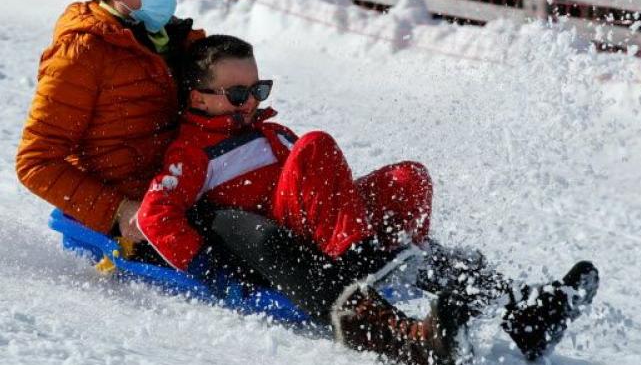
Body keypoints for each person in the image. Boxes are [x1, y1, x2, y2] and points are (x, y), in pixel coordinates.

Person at [136, 34, 600, 365]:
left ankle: (525, 314)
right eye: (238, 93)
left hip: (324, 226)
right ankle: (364, 260)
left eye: (258, 91)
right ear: (198, 97)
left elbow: (322, 187)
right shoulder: (192, 152)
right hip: (296, 241)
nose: (251, 103)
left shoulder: (270, 131)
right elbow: (155, 215)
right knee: (315, 145)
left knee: (407, 177)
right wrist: (212, 271)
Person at [16, 0, 203, 244]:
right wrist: (120, 210)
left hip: (188, 185)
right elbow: (37, 161)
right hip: (138, 207)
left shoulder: (178, 38)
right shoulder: (82, 51)